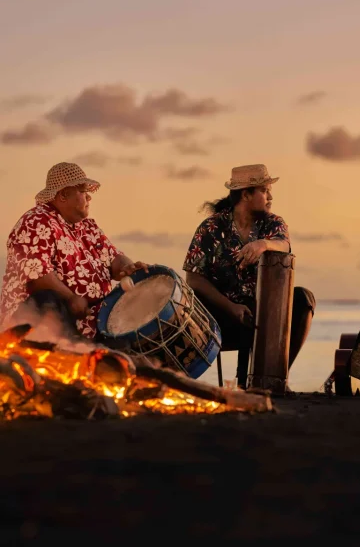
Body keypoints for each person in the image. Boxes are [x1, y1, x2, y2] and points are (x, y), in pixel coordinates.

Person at [183, 164, 315, 389]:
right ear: (246, 194)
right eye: (264, 190)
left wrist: (263, 244)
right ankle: (182, 380)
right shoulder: (211, 227)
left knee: (304, 299)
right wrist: (230, 307)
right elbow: (193, 279)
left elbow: (284, 244)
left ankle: (275, 379)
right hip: (222, 315)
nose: (270, 196)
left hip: (264, 315)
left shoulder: (273, 224)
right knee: (189, 304)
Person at [0, 162, 148, 340]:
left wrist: (129, 267)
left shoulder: (88, 228)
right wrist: (70, 297)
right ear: (63, 195)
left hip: (89, 325)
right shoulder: (36, 221)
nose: (89, 198)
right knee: (47, 299)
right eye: (83, 191)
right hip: (34, 322)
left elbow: (115, 259)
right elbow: (37, 276)